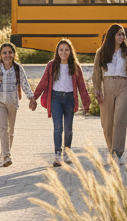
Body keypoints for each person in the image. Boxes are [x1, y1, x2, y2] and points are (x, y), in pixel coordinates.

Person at [33, 38, 90, 167]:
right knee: (58, 128)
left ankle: (68, 152)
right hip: (56, 99)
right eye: (61, 50)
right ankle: (58, 155)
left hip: (70, 99)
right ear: (57, 51)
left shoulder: (75, 66)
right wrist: (34, 97)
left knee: (68, 129)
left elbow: (82, 86)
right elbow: (43, 82)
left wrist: (86, 103)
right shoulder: (51, 65)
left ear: (70, 51)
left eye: (66, 50)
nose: (64, 52)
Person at [91, 24, 127, 163]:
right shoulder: (101, 52)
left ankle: (118, 153)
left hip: (123, 86)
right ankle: (111, 150)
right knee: (107, 123)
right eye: (119, 34)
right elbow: (96, 74)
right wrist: (97, 90)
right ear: (112, 36)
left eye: (123, 34)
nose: (122, 37)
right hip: (106, 86)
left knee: (119, 120)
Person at [0, 42, 37, 167]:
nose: (7, 55)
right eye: (4, 53)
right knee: (3, 127)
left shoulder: (18, 68)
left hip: (12, 101)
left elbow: (24, 84)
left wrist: (31, 98)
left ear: (13, 54)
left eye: (10, 52)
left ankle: (4, 152)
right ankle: (7, 156)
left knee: (10, 130)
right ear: (0, 55)